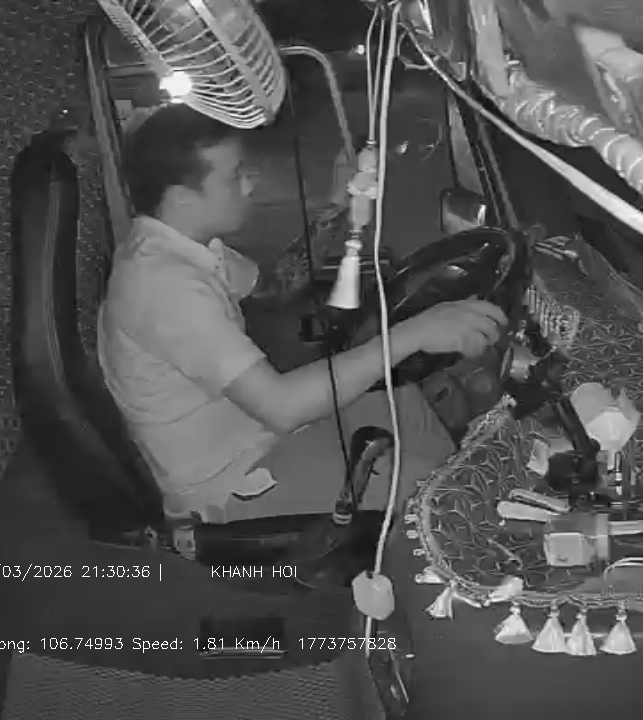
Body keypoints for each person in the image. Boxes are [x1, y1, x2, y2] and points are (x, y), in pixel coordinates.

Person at [98, 104, 506, 524]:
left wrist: (338, 203)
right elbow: (282, 407)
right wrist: (412, 335)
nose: (250, 185)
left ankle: (448, 514)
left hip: (258, 432)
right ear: (182, 198)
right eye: (235, 176)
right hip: (229, 481)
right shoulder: (164, 286)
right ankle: (448, 528)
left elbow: (275, 287)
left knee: (403, 398)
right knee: (441, 495)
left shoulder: (185, 246)